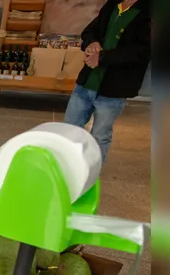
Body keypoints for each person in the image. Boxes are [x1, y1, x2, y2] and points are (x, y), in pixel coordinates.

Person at [62, 0, 150, 165]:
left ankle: (90, 176)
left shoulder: (149, 13)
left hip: (113, 90)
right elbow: (90, 31)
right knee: (69, 129)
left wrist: (102, 58)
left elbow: (142, 53)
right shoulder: (112, 5)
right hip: (86, 83)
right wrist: (91, 43)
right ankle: (64, 168)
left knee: (99, 136)